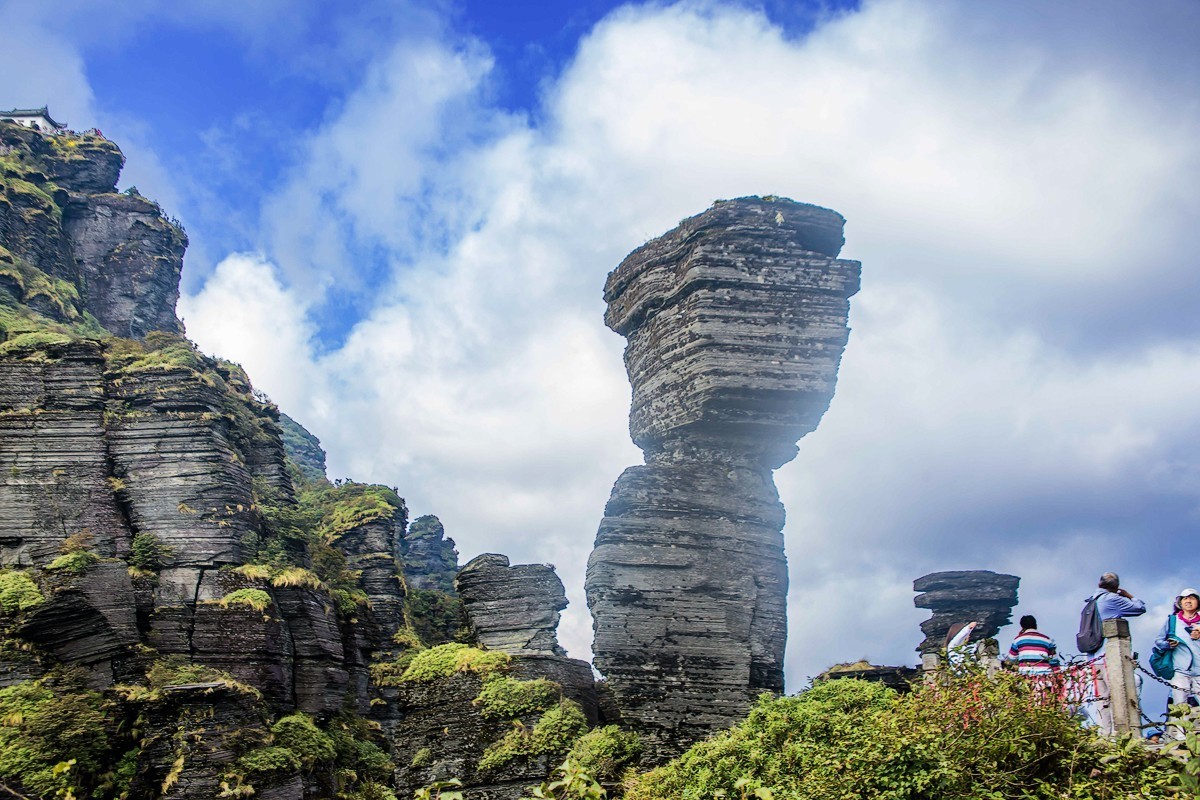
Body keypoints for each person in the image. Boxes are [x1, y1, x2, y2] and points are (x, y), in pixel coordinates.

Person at [1082, 573, 1147, 734]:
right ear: (1116, 586)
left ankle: (1105, 734)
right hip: (1109, 657)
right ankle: (1124, 733)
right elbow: (1140, 608)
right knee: (1119, 694)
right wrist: (1128, 595)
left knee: (1101, 698)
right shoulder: (1111, 599)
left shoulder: (1091, 600)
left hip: (1092, 657)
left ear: (1099, 583)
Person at [1155, 588, 1200, 740]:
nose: (1188, 601)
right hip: (1180, 669)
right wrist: (1168, 644)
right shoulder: (1172, 621)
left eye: (1192, 598)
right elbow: (1158, 641)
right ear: (1180, 602)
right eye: (1184, 598)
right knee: (1180, 702)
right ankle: (1181, 736)